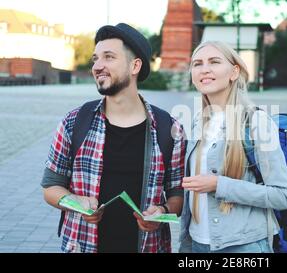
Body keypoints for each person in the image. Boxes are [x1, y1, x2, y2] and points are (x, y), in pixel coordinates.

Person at [41, 23, 185, 253]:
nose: (98, 66)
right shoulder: (74, 122)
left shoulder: (170, 129)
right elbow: (50, 187)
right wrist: (75, 201)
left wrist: (162, 211)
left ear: (135, 65)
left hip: (148, 247)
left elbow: (178, 193)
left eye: (108, 57)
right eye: (95, 59)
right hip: (83, 246)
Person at [178, 41, 287, 253]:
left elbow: (282, 195)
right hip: (196, 244)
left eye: (214, 62)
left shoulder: (256, 122)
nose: (205, 69)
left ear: (234, 72)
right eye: (197, 64)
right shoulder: (196, 122)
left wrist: (219, 185)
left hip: (243, 246)